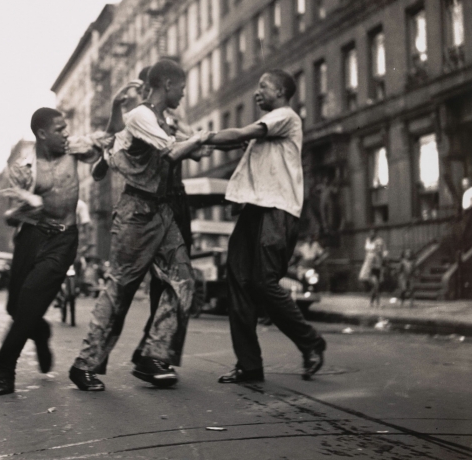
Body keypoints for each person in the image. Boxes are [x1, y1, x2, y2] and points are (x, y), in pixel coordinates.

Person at [69, 59, 209, 392]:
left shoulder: (166, 118)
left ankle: (152, 356)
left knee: (184, 281)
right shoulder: (141, 116)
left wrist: (206, 139)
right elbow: (170, 152)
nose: (185, 93)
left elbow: (188, 148)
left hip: (162, 212)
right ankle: (84, 365)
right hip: (136, 213)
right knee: (120, 289)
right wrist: (205, 137)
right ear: (168, 85)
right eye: (182, 87)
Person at [204, 69, 326, 383]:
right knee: (238, 281)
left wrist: (202, 138)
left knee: (264, 283)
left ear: (282, 92)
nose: (257, 92)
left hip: (278, 209)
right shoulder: (269, 128)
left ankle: (311, 343)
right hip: (255, 210)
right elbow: (239, 148)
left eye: (264, 86)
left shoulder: (285, 116)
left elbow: (241, 135)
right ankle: (249, 364)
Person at [0, 108, 106, 395]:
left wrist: (112, 111)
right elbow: (11, 217)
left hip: (63, 240)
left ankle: (4, 368)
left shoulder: (73, 150)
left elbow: (104, 142)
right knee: (16, 307)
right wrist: (26, 207)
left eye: (66, 128)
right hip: (31, 237)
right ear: (42, 134)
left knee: (30, 300)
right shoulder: (23, 168)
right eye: (60, 129)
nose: (66, 133)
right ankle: (40, 331)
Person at [360, 229, 388, 307]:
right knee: (375, 285)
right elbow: (367, 252)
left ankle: (371, 303)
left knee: (376, 286)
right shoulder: (368, 240)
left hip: (377, 263)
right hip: (369, 264)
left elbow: (384, 251)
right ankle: (378, 303)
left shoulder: (380, 241)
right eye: (370, 232)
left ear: (376, 233)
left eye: (373, 232)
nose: (371, 234)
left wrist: (384, 260)